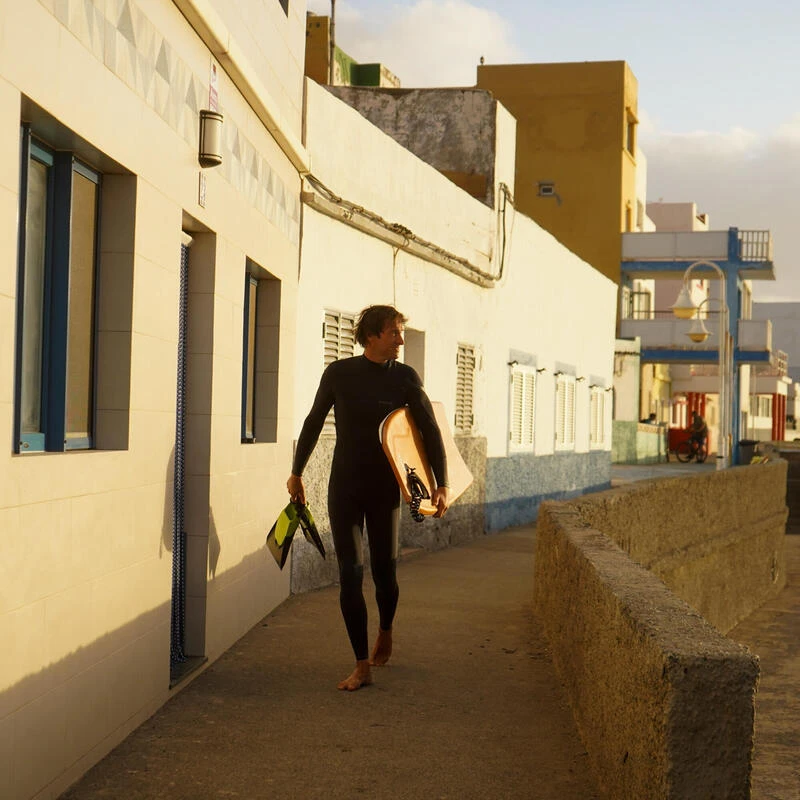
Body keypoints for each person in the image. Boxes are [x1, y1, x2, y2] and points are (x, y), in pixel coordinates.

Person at [287, 305, 449, 691]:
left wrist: (441, 483)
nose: (400, 340)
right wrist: (297, 472)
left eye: (400, 333)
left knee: (385, 572)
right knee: (350, 573)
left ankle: (386, 629)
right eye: (394, 333)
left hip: (384, 490)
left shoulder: (405, 378)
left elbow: (429, 429)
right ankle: (361, 665)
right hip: (344, 486)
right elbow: (313, 420)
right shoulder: (339, 374)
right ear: (372, 335)